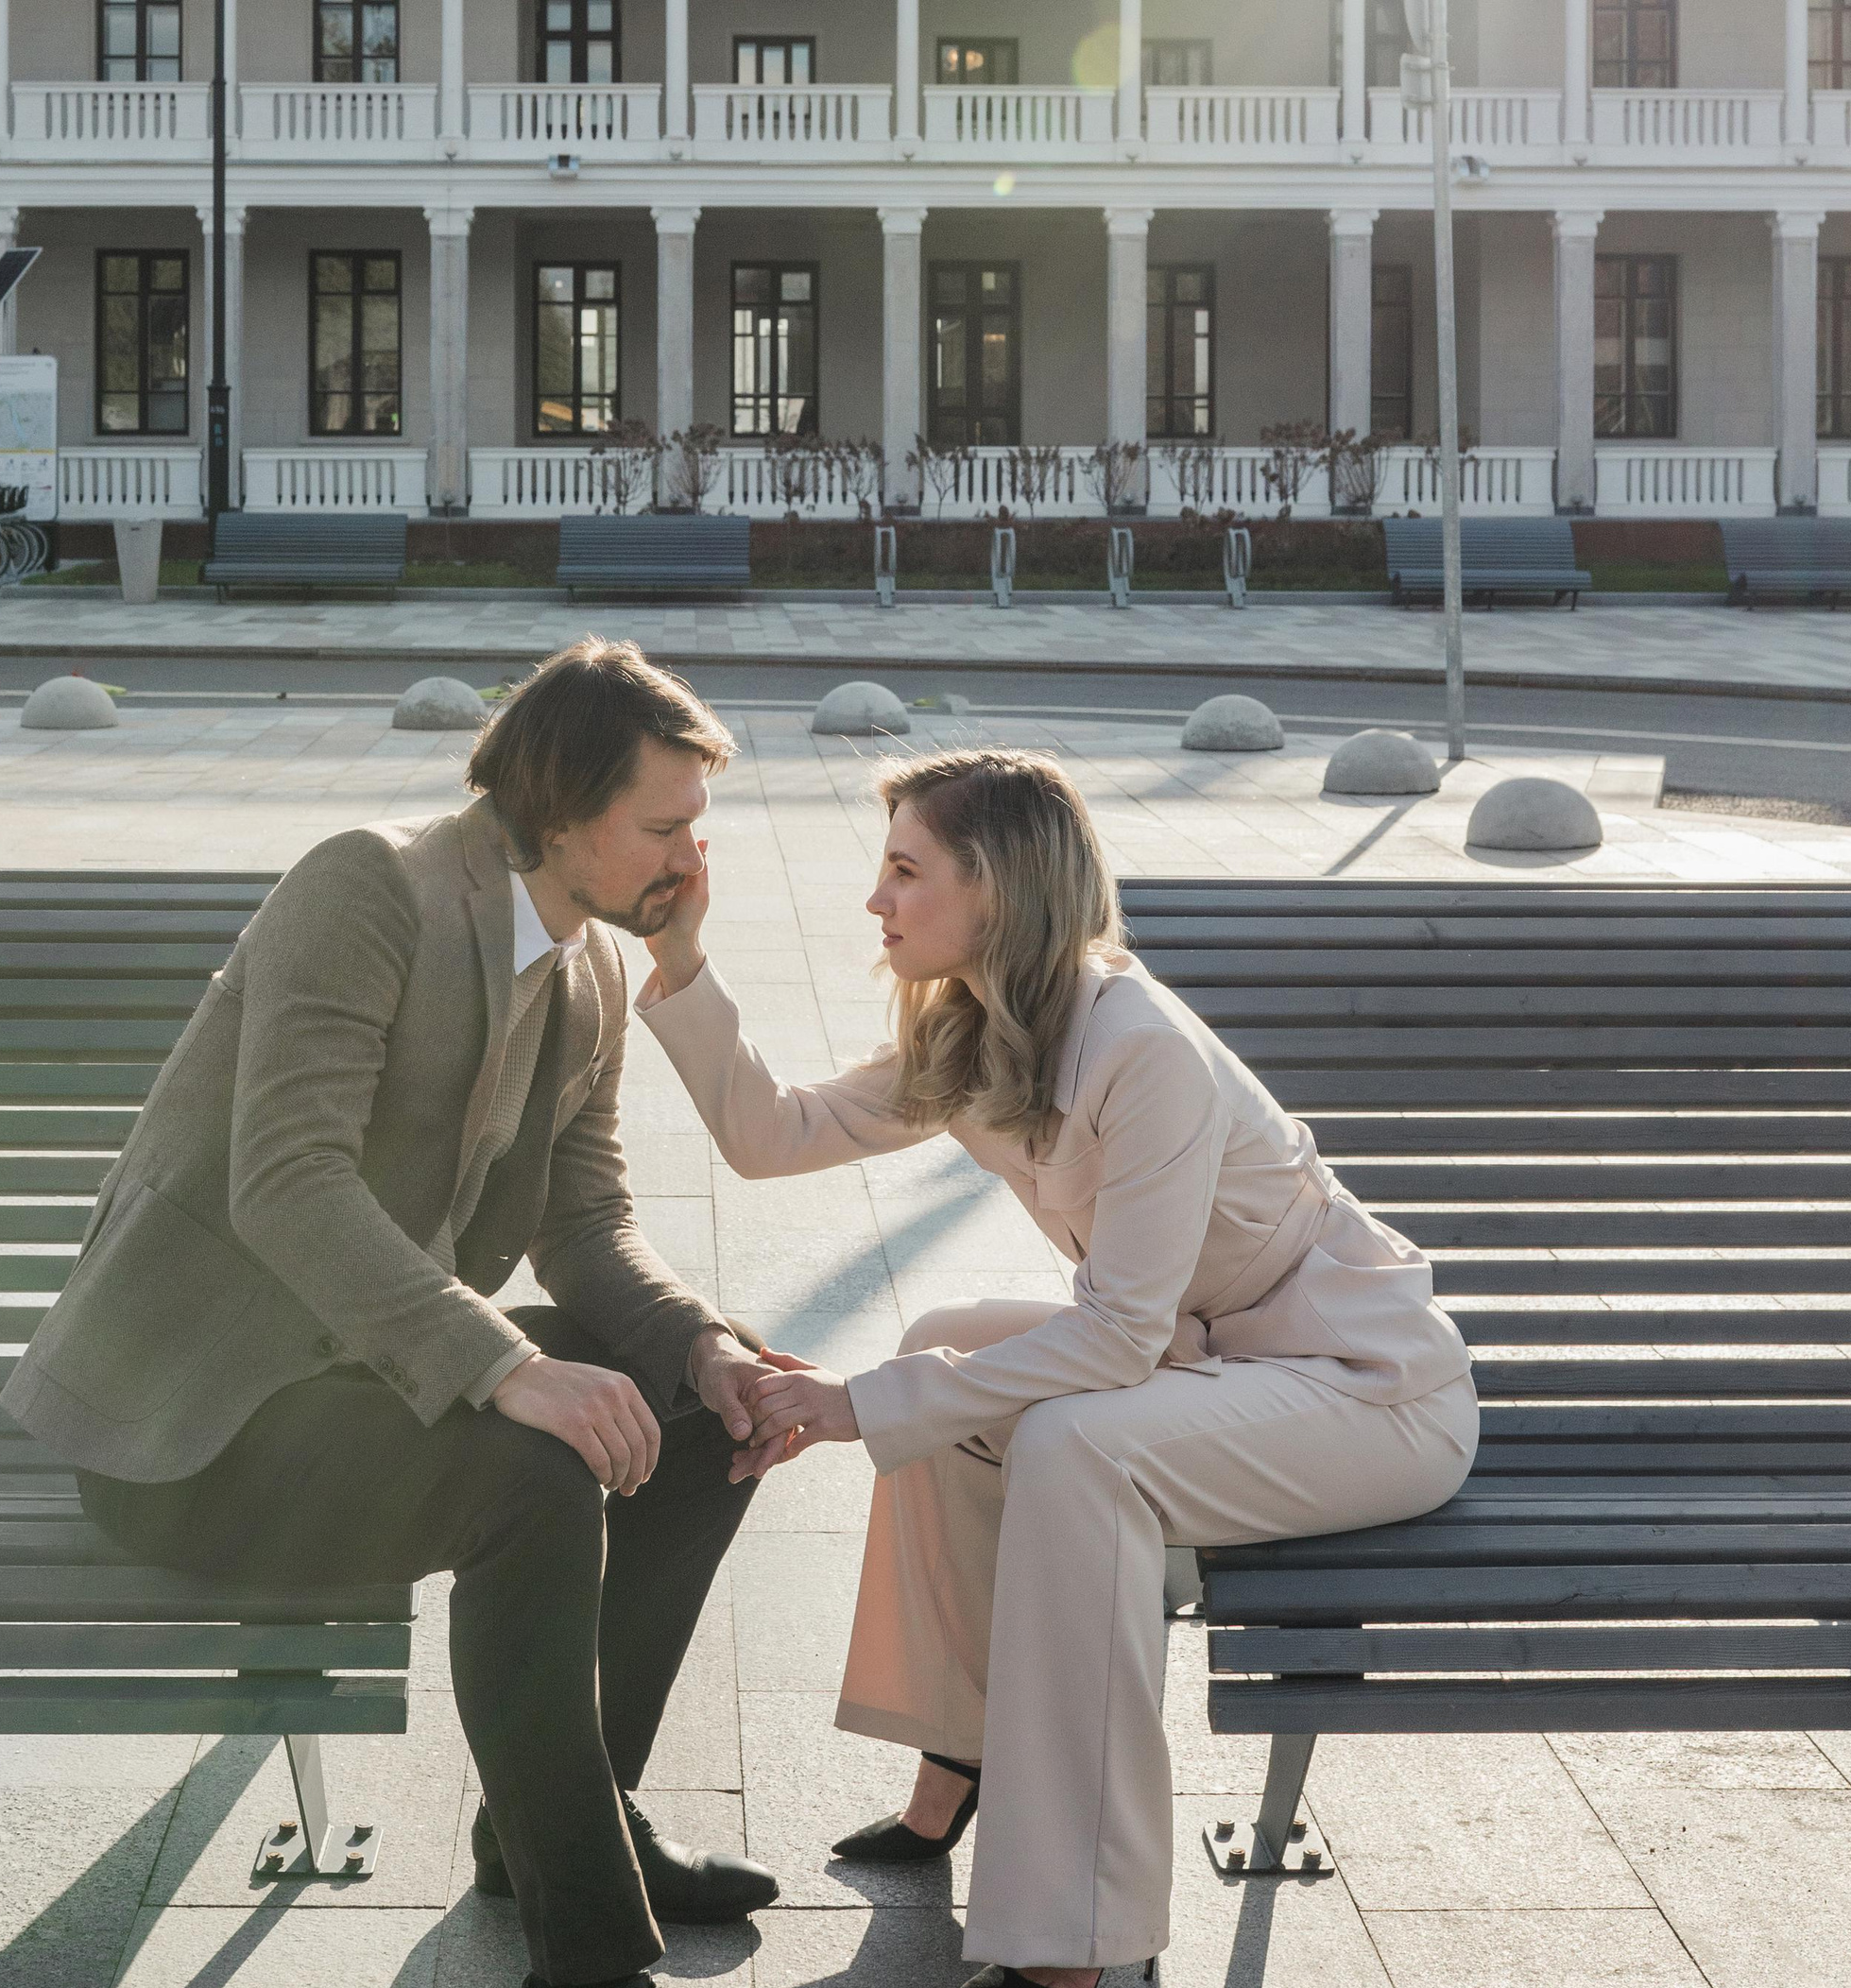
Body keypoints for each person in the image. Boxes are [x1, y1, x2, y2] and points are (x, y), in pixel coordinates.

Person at [5, 639, 786, 1988]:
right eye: (662, 826)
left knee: (705, 1418)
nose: (690, 856)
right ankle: (592, 1950)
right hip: (200, 1423)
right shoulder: (370, 886)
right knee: (537, 1471)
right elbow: (287, 1182)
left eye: (695, 824)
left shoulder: (591, 966)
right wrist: (498, 1366)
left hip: (351, 1377)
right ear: (558, 817)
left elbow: (585, 1221)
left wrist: (702, 1344)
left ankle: (560, 1822)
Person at [632, 746, 1478, 1988]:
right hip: (1221, 1369)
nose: (877, 900)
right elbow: (772, 1136)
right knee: (946, 1346)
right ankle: (956, 1760)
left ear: (998, 889)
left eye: (906, 870)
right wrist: (680, 959)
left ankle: (1082, 1950)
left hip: (1366, 1391)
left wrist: (852, 1406)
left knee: (1079, 1442)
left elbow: (1116, 1341)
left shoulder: (1142, 1050)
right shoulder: (980, 1033)